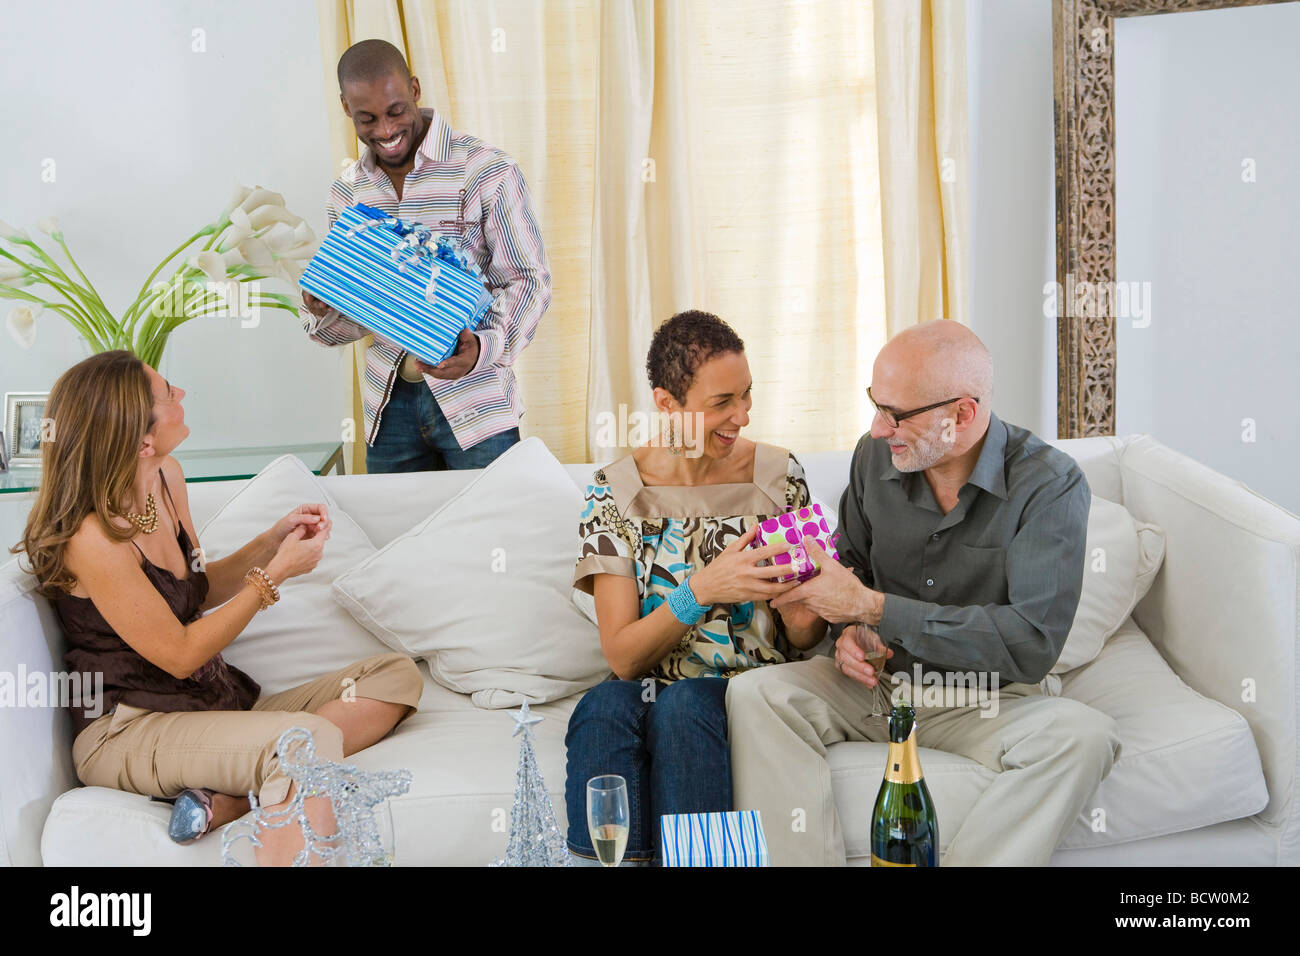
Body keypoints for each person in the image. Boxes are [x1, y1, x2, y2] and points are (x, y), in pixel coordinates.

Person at [726, 319, 1121, 866]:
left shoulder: (1049, 486)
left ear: (961, 413)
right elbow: (854, 565)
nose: (878, 427)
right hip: (878, 686)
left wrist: (875, 608)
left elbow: (1031, 644)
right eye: (875, 403)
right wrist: (851, 630)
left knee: (1085, 738)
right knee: (756, 695)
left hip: (987, 696)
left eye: (895, 414)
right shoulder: (874, 456)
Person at [12, 350, 423, 865]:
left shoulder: (166, 478)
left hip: (205, 703)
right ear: (140, 440)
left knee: (395, 676)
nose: (181, 395)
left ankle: (226, 803)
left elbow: (196, 591)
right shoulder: (91, 538)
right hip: (129, 728)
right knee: (308, 738)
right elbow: (180, 654)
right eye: (167, 394)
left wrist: (270, 542)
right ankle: (260, 785)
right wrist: (272, 577)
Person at [564, 310, 827, 865]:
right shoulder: (616, 493)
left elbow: (802, 639)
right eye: (722, 403)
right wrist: (702, 588)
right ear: (667, 404)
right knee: (602, 705)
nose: (742, 416)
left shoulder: (779, 476)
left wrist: (805, 607)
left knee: (685, 706)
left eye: (747, 396)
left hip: (748, 688)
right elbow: (624, 657)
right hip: (649, 685)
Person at [300, 39, 551, 473]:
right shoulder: (347, 194)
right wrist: (323, 308)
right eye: (367, 118)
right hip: (388, 407)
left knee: (492, 531)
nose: (384, 130)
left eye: (395, 110)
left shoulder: (486, 169)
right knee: (398, 537)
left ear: (415, 89)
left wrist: (483, 349)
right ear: (346, 108)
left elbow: (529, 281)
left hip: (476, 402)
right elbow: (344, 326)